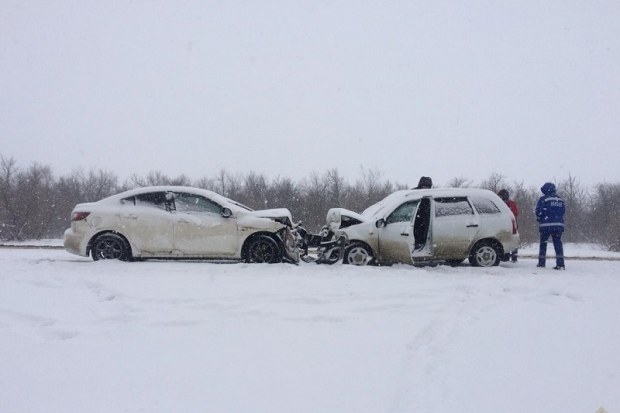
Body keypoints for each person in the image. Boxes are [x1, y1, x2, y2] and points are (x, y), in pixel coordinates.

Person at [535, 182, 566, 270]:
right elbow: (563, 211)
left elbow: (539, 211)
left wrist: (539, 218)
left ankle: (541, 263)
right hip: (558, 225)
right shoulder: (560, 199)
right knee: (558, 244)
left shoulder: (543, 199)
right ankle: (560, 263)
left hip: (545, 225)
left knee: (543, 244)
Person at [497, 189, 519, 262]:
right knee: (511, 239)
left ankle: (507, 256)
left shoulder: (502, 203)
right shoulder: (511, 203)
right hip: (513, 224)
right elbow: (515, 213)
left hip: (506, 225)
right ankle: (512, 255)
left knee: (505, 239)